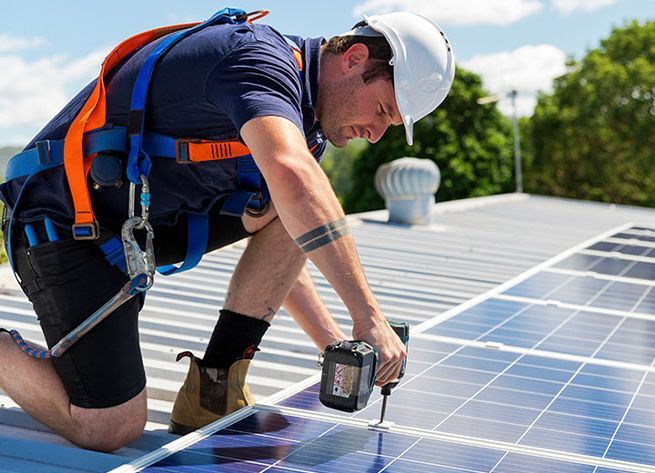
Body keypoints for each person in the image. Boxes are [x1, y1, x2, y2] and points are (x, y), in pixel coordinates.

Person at [0, 9, 455, 452]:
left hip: (129, 233)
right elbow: (296, 182)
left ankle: (211, 389)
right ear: (354, 58)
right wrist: (369, 316)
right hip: (61, 226)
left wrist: (334, 343)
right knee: (109, 428)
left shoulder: (303, 127)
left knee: (291, 205)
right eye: (381, 110)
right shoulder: (255, 60)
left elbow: (293, 233)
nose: (376, 134)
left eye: (389, 126)